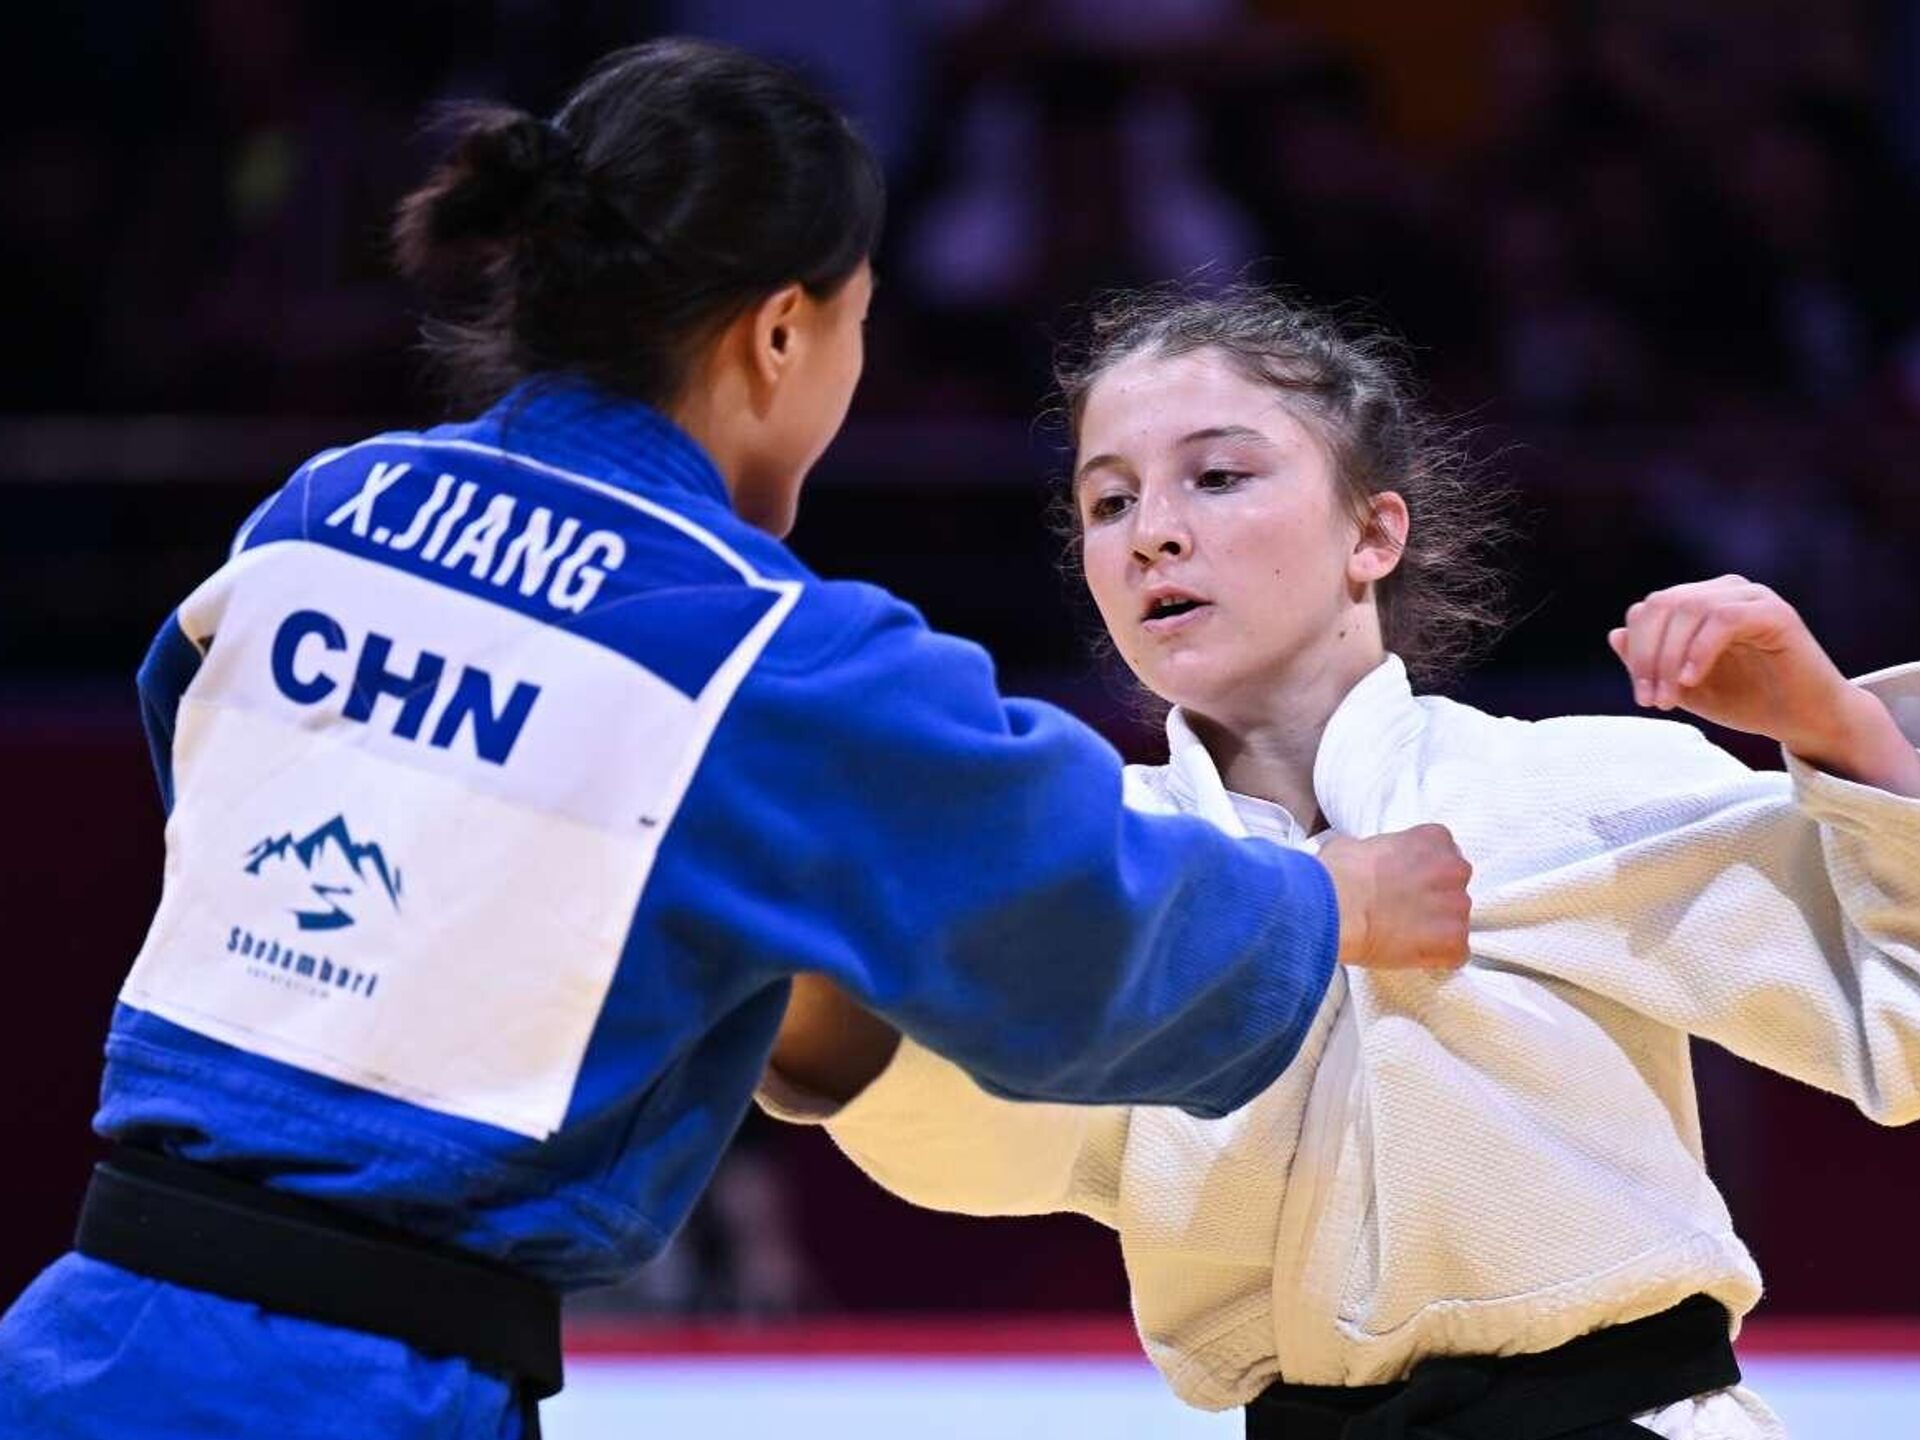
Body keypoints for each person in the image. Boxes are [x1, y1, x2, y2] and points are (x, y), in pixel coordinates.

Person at [0, 44, 1477, 1440]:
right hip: (348, 1392)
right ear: (782, 332)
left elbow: (216, 771)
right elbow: (1075, 918)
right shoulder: (765, 652)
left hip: (80, 1340)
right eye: (856, 322)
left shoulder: (326, 509)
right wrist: (1331, 901)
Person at [761, 287, 1920, 1439]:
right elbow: (1000, 1139)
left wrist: (1842, 733)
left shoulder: (1577, 789)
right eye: (1109, 501)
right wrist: (824, 994)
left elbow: (1903, 1022)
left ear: (1372, 534)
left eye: (1217, 477)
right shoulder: (1098, 860)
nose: (1152, 530)